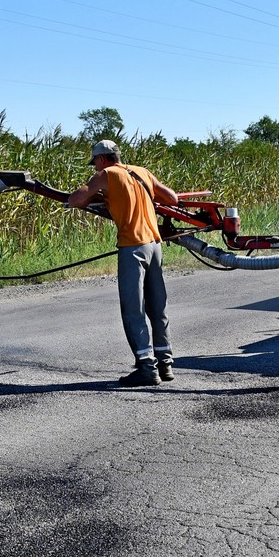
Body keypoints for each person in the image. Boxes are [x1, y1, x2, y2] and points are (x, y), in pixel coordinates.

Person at [67, 140, 179, 387]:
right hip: (154, 245)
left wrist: (95, 190)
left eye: (95, 162)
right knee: (157, 308)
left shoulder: (106, 174)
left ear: (103, 159)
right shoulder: (141, 171)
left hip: (132, 247)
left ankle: (146, 368)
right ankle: (165, 364)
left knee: (133, 309)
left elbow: (75, 200)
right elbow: (172, 198)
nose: (94, 166)